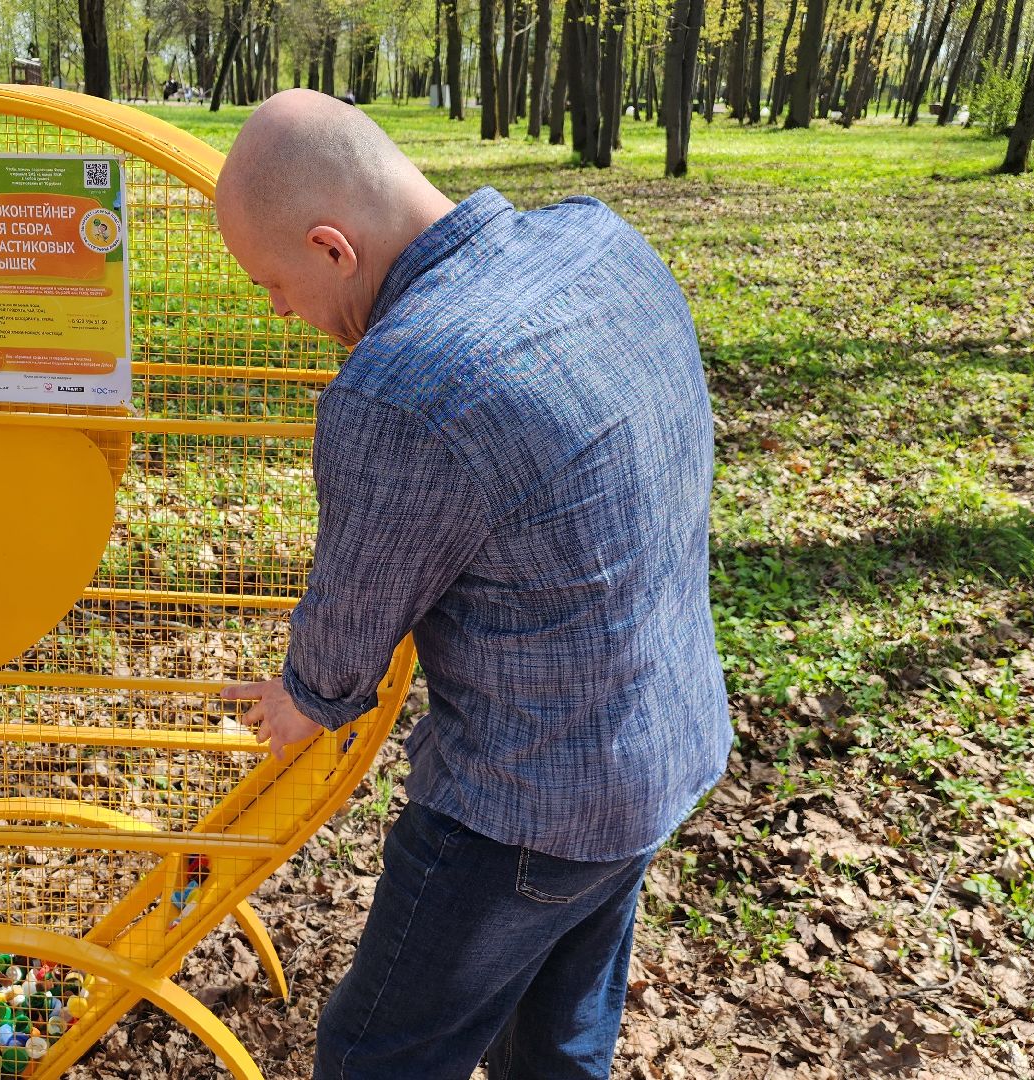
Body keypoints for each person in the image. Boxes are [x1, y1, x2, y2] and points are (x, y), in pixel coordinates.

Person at [213, 89, 732, 1080]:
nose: (279, 310)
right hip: (658, 750)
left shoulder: (404, 387)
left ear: (332, 246)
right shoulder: (602, 240)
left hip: (520, 809)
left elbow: (351, 625)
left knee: (378, 1053)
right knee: (558, 1034)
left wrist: (303, 698)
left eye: (271, 283)